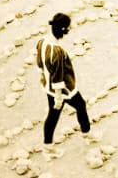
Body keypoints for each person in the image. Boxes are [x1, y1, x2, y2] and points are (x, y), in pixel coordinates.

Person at [37, 12, 89, 143]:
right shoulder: (57, 51)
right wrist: (59, 97)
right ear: (62, 29)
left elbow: (40, 64)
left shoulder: (42, 42)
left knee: (53, 116)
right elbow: (58, 76)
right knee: (80, 105)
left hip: (47, 85)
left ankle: (48, 144)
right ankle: (86, 133)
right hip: (64, 89)